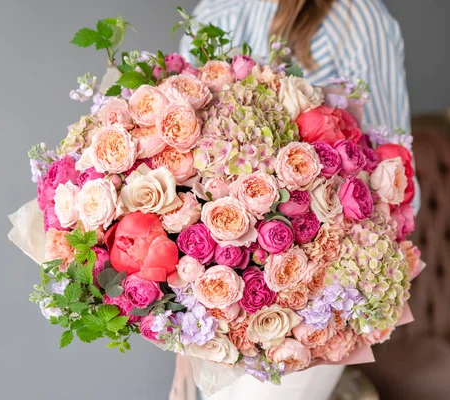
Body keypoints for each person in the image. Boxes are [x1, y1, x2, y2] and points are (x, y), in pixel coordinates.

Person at [178, 1, 418, 399]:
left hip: (307, 323)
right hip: (214, 320)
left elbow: (391, 188)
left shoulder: (354, 20)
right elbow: (399, 185)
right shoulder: (214, 9)